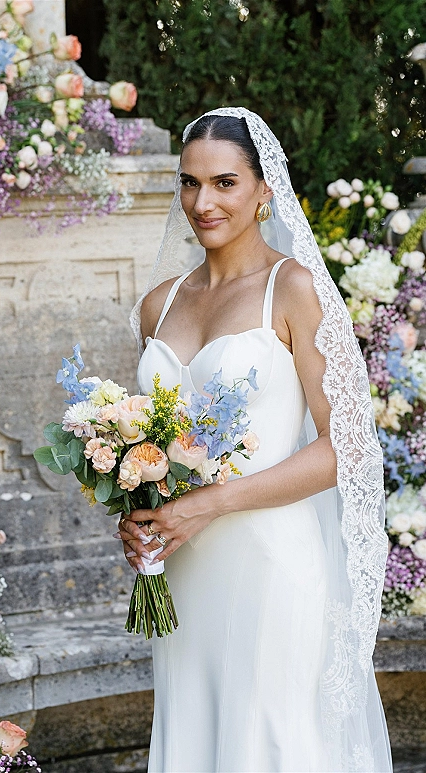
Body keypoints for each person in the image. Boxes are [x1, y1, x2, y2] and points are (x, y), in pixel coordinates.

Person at [117, 109, 392, 773]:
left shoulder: (291, 290)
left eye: (224, 182)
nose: (202, 202)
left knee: (271, 740)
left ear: (265, 190)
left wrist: (212, 502)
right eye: (189, 183)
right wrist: (138, 513)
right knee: (194, 734)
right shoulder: (160, 303)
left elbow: (347, 446)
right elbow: (151, 442)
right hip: (181, 570)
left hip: (272, 564)